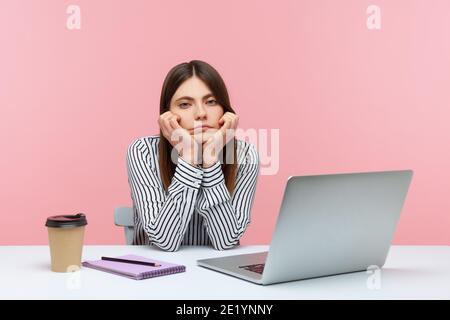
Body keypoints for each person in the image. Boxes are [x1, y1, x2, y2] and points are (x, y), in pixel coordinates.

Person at [126, 60, 259, 251]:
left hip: (216, 275)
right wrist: (188, 157)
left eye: (211, 102)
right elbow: (165, 241)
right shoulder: (143, 151)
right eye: (185, 104)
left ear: (225, 110)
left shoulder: (246, 155)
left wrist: (210, 159)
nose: (201, 114)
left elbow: (226, 241)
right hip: (156, 272)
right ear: (167, 115)